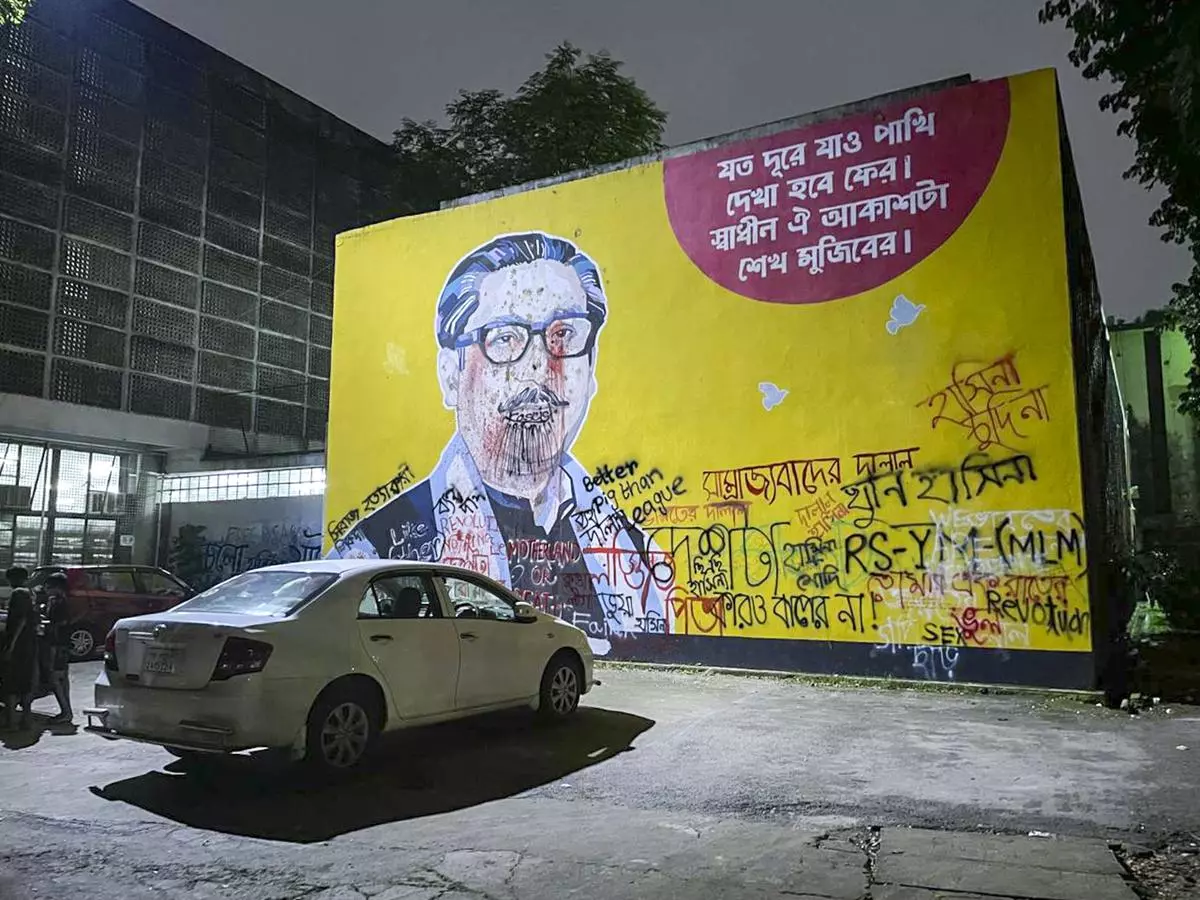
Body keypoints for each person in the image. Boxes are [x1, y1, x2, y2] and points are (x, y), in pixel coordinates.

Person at [329, 232, 671, 654]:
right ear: (450, 376)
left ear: (592, 365)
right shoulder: (376, 554)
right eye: (504, 338)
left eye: (564, 334)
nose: (539, 367)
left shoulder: (639, 554)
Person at [2, 566, 37, 730]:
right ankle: (26, 719)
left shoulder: (18, 593)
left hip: (19, 645)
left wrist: (11, 646)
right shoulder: (30, 593)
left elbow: (21, 620)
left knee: (11, 684)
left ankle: (11, 722)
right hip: (29, 644)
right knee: (25, 683)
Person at [41, 572, 72, 724]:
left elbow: (60, 623)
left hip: (57, 644)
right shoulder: (60, 600)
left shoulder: (59, 602)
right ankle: (66, 711)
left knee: (55, 678)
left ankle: (66, 712)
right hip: (62, 644)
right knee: (62, 678)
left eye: (49, 587)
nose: (46, 589)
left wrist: (47, 623)